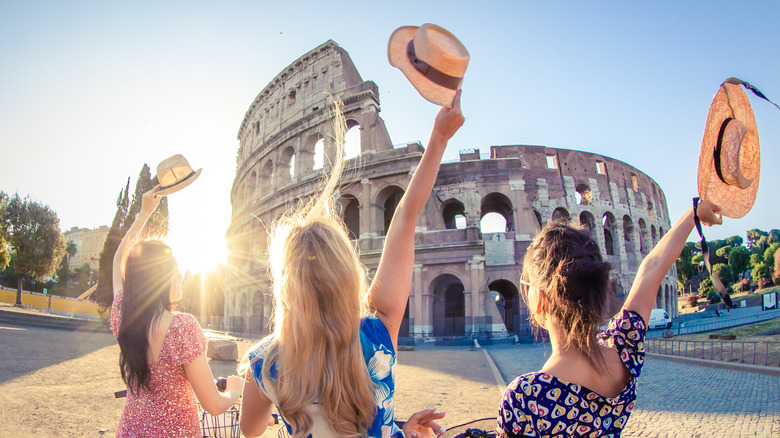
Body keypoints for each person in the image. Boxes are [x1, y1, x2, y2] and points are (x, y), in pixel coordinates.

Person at [238, 92, 464, 438]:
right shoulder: (376, 334)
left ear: (286, 286)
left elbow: (249, 434)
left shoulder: (263, 362)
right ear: (348, 275)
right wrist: (439, 138)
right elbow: (404, 219)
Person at [496, 200, 722, 437]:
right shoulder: (625, 348)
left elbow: (652, 268)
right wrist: (693, 214)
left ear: (540, 299)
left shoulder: (525, 398)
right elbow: (653, 268)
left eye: (527, 285)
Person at [111, 186, 242, 437]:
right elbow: (213, 405)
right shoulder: (181, 327)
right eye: (176, 268)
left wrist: (143, 213)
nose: (181, 274)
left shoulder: (121, 314)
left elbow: (119, 261)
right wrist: (235, 391)